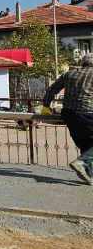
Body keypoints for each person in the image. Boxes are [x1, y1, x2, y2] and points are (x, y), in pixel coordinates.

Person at [42, 54, 93, 184]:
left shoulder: (69, 74)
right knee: (88, 146)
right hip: (87, 113)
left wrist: (46, 106)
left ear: (83, 63)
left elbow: (52, 89)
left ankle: (88, 174)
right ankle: (82, 163)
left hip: (68, 114)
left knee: (86, 144)